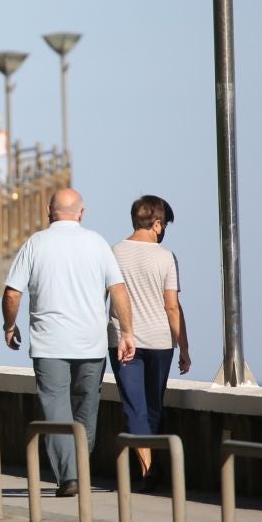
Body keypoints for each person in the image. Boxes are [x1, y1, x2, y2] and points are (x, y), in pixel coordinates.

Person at [1, 188, 135, 498]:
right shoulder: (97, 243)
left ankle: (69, 476)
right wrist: (127, 333)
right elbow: (118, 290)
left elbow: (12, 293)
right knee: (86, 410)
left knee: (56, 411)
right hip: (91, 343)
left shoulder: (35, 244)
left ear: (49, 210)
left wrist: (10, 325)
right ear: (82, 213)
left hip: (49, 344)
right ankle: (78, 471)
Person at [109, 195, 192, 491]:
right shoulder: (165, 256)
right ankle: (151, 468)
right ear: (157, 223)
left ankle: (146, 470)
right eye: (165, 223)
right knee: (154, 404)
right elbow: (172, 306)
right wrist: (184, 347)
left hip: (121, 339)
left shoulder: (114, 252)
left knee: (134, 407)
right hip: (160, 341)